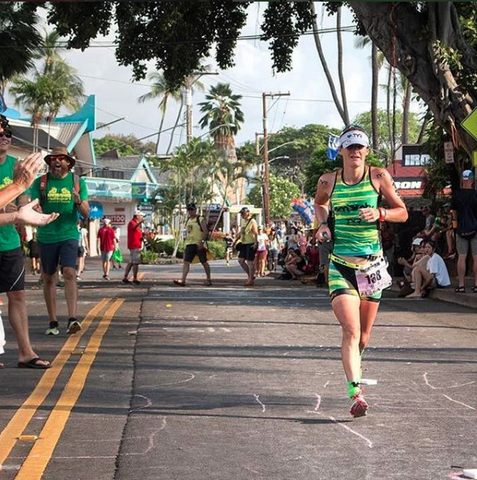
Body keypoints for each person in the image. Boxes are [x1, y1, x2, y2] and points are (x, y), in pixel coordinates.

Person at [314, 126, 408, 417]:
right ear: (340, 151)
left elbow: (402, 212)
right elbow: (319, 203)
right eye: (349, 147)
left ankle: (356, 362)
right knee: (350, 330)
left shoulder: (378, 177)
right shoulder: (328, 181)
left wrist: (381, 213)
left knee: (364, 336)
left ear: (366, 151)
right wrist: (322, 224)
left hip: (371, 267)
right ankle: (355, 392)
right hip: (341, 265)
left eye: (360, 147)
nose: (355, 152)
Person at [0, 115, 60, 368]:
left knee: (18, 295)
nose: (4, 136)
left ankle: (25, 352)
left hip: (8, 241)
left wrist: (23, 211)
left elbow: (24, 201)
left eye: (7, 133)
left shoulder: (17, 165)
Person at [30, 146, 90, 337]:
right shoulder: (41, 183)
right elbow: (33, 206)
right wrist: (37, 211)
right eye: (53, 159)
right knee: (48, 277)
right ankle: (53, 321)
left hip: (68, 234)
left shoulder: (77, 182)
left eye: (61, 159)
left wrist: (78, 201)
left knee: (69, 272)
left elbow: (87, 212)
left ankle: (72, 318)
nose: (57, 162)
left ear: (68, 163)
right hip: (47, 236)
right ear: (49, 163)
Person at [173, 203, 212, 287]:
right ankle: (183, 280)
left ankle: (208, 279)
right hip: (189, 243)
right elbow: (186, 231)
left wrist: (201, 242)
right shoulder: (188, 220)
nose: (190, 211)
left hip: (198, 244)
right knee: (186, 262)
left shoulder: (200, 219)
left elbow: (205, 231)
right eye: (189, 210)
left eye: (192, 209)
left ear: (195, 210)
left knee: (204, 262)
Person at [451, 169, 477, 293]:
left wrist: (455, 227)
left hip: (461, 229)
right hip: (475, 229)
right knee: (476, 257)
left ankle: (461, 285)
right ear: (472, 180)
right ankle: (476, 284)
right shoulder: (476, 194)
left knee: (461, 256)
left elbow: (454, 213)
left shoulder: (456, 194)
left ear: (462, 179)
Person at [234, 207, 258, 286]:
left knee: (250, 262)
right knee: (241, 260)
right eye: (241, 214)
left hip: (251, 243)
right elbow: (241, 232)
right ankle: (250, 276)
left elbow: (255, 233)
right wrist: (235, 241)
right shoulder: (243, 221)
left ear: (247, 213)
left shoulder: (252, 221)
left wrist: (255, 243)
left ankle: (250, 279)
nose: (242, 215)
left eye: (243, 213)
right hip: (244, 243)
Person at [122, 209, 144, 285]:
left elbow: (137, 233)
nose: (141, 217)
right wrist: (140, 223)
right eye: (141, 215)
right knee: (136, 263)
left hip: (136, 244)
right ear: (137, 216)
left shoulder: (136, 223)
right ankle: (135, 278)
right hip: (134, 245)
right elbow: (134, 227)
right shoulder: (132, 223)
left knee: (131, 262)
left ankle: (125, 277)